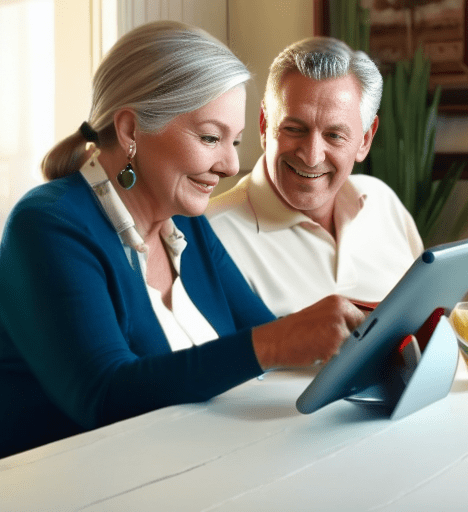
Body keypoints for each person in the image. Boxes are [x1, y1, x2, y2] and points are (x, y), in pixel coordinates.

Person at [0, 22, 366, 458]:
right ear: (131, 131)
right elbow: (103, 396)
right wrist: (278, 343)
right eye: (211, 138)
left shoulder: (184, 223)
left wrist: (372, 331)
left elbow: (272, 335)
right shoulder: (48, 224)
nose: (230, 164)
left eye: (236, 141)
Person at [207, 37, 424, 318]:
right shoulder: (210, 236)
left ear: (365, 140)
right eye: (295, 129)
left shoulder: (383, 201)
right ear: (264, 124)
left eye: (334, 135)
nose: (311, 157)